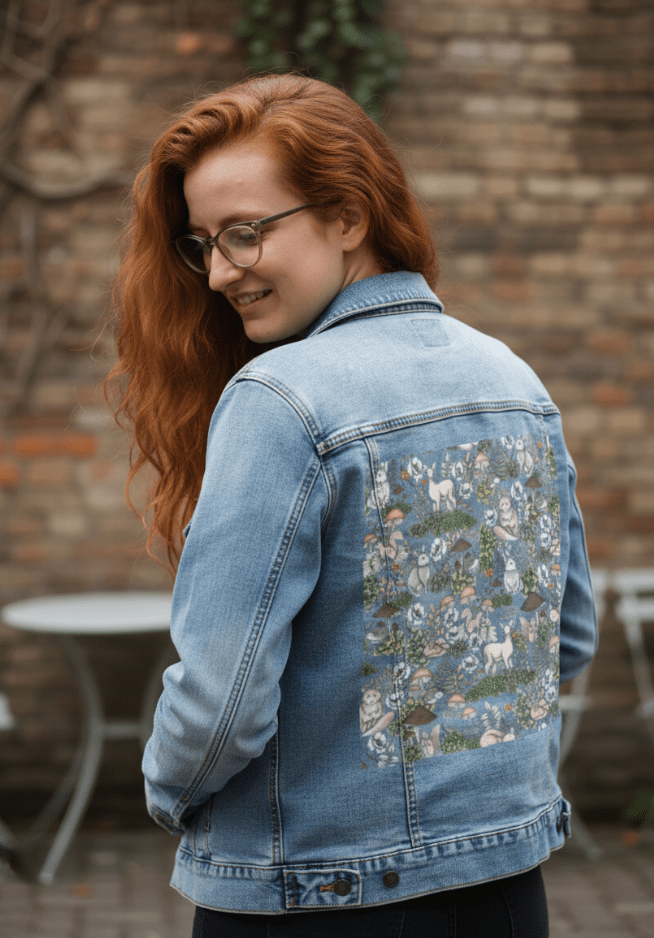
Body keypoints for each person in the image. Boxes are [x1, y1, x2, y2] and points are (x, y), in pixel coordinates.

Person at [108, 73, 597, 937]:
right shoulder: (512, 379)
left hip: (314, 898)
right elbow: (566, 635)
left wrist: (167, 791)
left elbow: (220, 699)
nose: (220, 272)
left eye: (247, 233)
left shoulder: (281, 398)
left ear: (348, 216)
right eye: (202, 244)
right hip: (506, 889)